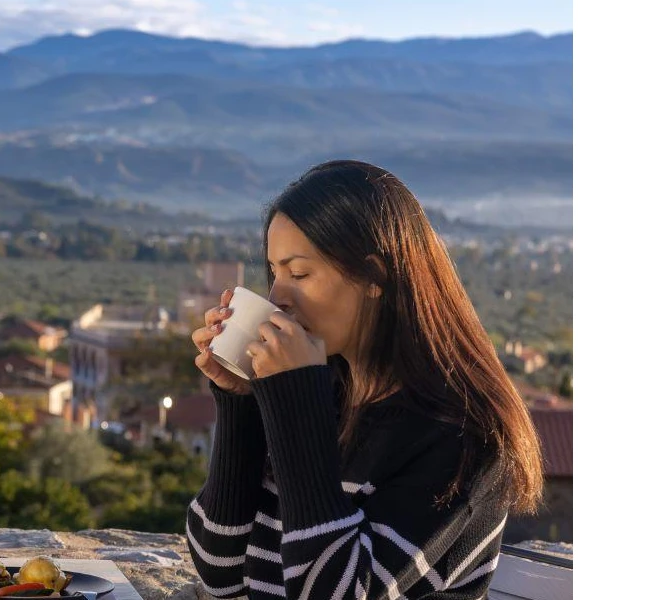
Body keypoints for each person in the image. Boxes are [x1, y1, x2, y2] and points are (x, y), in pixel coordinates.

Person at [185, 160, 543, 599]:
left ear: (374, 277)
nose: (277, 297)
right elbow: (218, 571)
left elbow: (334, 593)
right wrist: (242, 401)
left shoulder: (463, 435)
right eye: (275, 272)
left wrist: (297, 406)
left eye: (299, 274)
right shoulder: (321, 393)